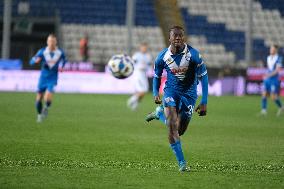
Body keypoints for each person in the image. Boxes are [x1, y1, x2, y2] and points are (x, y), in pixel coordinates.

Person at [145, 26, 208, 172]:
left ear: (184, 38)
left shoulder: (193, 55)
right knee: (172, 126)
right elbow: (156, 76)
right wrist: (156, 92)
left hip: (189, 94)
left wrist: (204, 101)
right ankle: (182, 164)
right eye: (175, 36)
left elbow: (204, 76)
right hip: (171, 92)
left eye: (180, 36)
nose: (178, 38)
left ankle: (159, 114)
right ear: (170, 38)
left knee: (180, 131)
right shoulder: (162, 57)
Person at [30, 34, 67, 122]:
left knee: (47, 96)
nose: (51, 43)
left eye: (53, 41)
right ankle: (39, 115)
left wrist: (62, 66)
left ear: (56, 42)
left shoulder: (60, 52)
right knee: (39, 98)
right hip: (43, 77)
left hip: (53, 77)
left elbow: (64, 60)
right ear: (47, 42)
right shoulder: (42, 52)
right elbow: (31, 61)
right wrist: (35, 61)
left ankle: (46, 107)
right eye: (50, 41)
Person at [127, 43, 152, 110]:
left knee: (145, 90)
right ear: (140, 48)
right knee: (142, 90)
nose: (144, 49)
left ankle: (135, 104)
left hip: (144, 74)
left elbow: (149, 65)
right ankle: (131, 100)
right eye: (143, 47)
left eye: (145, 47)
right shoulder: (137, 55)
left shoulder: (148, 56)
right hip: (138, 73)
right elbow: (131, 63)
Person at [260, 44, 283, 116]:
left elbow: (277, 70)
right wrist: (266, 75)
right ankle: (264, 110)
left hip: (274, 79)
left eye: (272, 49)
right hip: (267, 79)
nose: (271, 50)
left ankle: (281, 107)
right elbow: (269, 69)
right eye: (270, 49)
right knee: (264, 94)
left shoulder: (279, 58)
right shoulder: (268, 58)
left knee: (273, 97)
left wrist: (268, 75)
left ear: (276, 50)